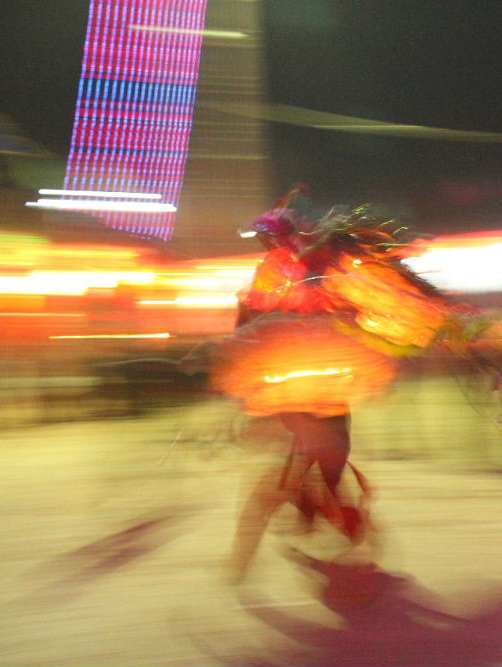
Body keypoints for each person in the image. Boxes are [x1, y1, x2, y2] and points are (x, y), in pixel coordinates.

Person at [184, 194, 455, 583]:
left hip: (326, 382)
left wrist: (357, 316)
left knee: (329, 457)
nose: (270, 245)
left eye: (272, 237)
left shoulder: (326, 263)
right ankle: (284, 529)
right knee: (298, 463)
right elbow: (254, 319)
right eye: (265, 240)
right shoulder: (271, 272)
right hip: (288, 384)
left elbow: (357, 303)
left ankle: (328, 522)